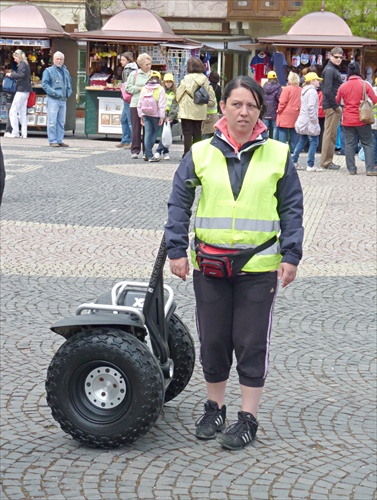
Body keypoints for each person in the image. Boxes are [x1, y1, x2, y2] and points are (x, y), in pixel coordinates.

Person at [165, 75, 304, 451]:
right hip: (210, 266)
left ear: (261, 111)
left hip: (258, 268)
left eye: (252, 106)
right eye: (237, 104)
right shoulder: (200, 153)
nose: (244, 112)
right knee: (213, 340)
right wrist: (176, 249)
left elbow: (292, 208)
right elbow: (179, 203)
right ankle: (215, 406)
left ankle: (248, 417)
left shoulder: (278, 153)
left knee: (250, 341)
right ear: (222, 106)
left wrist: (292, 254)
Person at [335, 62, 377, 176]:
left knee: (349, 144)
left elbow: (337, 101)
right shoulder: (365, 84)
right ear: (359, 71)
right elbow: (374, 99)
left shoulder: (343, 86)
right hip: (362, 119)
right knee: (367, 143)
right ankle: (370, 169)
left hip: (347, 119)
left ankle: (352, 169)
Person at [176, 57, 212, 157]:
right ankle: (197, 154)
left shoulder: (187, 78)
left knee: (187, 133)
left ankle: (187, 154)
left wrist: (178, 101)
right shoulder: (205, 79)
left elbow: (179, 92)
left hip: (187, 109)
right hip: (200, 109)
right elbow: (207, 92)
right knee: (197, 132)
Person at [292, 72, 323, 172]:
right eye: (317, 80)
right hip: (310, 121)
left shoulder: (304, 90)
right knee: (314, 142)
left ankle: (294, 161)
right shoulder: (313, 92)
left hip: (303, 120)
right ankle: (310, 164)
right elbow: (311, 108)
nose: (318, 82)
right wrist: (314, 121)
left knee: (302, 140)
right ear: (312, 81)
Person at [320, 47, 344, 170]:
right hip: (331, 106)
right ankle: (326, 162)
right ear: (330, 56)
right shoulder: (330, 70)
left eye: (341, 57)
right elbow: (327, 90)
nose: (339, 59)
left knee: (331, 134)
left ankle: (327, 161)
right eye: (336, 57)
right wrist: (336, 106)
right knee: (330, 135)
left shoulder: (331, 69)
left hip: (331, 105)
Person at [41, 51, 72, 147]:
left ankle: (59, 140)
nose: (59, 61)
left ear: (63, 60)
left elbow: (69, 83)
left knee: (61, 122)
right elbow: (45, 84)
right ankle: (52, 140)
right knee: (52, 121)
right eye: (57, 59)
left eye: (61, 59)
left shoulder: (66, 71)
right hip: (53, 99)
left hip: (63, 99)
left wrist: (69, 92)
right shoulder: (48, 71)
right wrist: (54, 92)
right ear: (53, 60)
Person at [125, 53, 152, 159]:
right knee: (136, 127)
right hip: (136, 103)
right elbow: (128, 88)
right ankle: (135, 150)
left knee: (148, 128)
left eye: (150, 64)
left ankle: (147, 150)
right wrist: (139, 89)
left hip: (150, 105)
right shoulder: (134, 74)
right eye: (146, 64)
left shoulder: (153, 74)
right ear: (140, 65)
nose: (149, 66)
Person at [137, 71, 166, 162]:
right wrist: (162, 116)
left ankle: (147, 154)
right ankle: (149, 155)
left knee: (147, 134)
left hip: (145, 113)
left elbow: (140, 102)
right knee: (154, 133)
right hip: (156, 114)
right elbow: (162, 104)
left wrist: (140, 115)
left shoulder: (144, 88)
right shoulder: (160, 89)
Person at [5, 49, 32, 139]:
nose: (14, 60)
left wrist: (11, 74)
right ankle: (24, 133)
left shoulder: (22, 64)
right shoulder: (26, 64)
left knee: (13, 111)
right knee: (22, 112)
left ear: (19, 57)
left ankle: (15, 132)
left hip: (21, 90)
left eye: (15, 58)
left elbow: (21, 75)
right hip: (26, 90)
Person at [154, 73, 178, 161]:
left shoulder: (175, 93)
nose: (168, 84)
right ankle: (165, 152)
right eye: (167, 82)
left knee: (166, 135)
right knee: (164, 135)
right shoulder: (161, 91)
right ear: (164, 82)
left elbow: (174, 106)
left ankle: (159, 151)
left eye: (170, 82)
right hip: (162, 115)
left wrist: (171, 117)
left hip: (170, 117)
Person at [276, 71, 301, 153]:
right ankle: (293, 149)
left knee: (282, 130)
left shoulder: (286, 89)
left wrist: (279, 110)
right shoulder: (300, 89)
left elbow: (282, 101)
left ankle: (282, 149)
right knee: (293, 131)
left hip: (285, 113)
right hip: (296, 113)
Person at [116, 52, 137, 149]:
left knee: (129, 121)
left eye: (123, 60)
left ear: (128, 60)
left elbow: (126, 85)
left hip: (128, 98)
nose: (121, 62)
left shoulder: (128, 70)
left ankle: (133, 142)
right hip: (129, 97)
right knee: (124, 120)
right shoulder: (135, 69)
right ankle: (125, 140)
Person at [263, 70, 282, 139]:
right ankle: (274, 142)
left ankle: (265, 141)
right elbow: (280, 99)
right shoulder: (278, 87)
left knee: (265, 127)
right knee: (275, 128)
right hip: (275, 110)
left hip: (266, 110)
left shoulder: (264, 86)